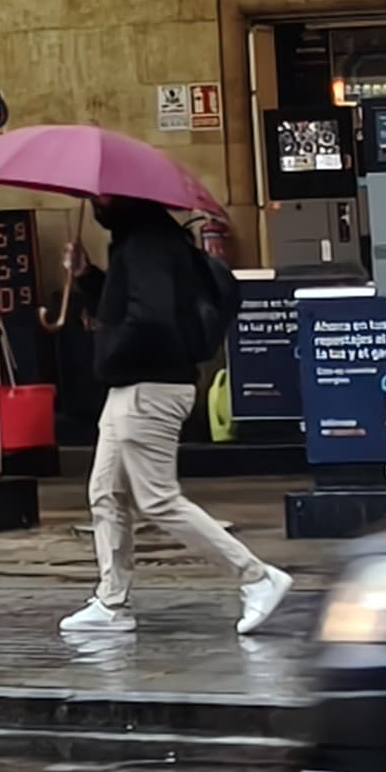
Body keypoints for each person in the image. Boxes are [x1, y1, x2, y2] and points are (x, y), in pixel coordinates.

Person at [65, 198, 288, 640]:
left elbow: (149, 319)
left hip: (148, 388)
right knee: (105, 493)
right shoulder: (148, 242)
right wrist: (88, 277)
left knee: (157, 499)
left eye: (101, 198)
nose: (96, 205)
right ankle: (111, 602)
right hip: (134, 389)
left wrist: (110, 357)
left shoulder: (146, 245)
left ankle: (257, 576)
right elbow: (129, 305)